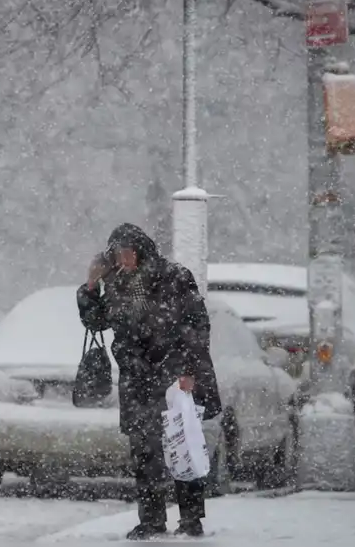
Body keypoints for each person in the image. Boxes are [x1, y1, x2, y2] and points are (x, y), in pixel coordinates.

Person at [76, 223, 221, 540]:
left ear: (141, 250)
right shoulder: (114, 282)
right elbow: (96, 322)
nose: (123, 259)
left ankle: (191, 519)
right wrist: (91, 284)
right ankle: (152, 519)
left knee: (181, 445)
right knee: (144, 452)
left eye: (127, 252)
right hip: (135, 377)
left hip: (172, 375)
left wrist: (187, 371)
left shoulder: (174, 276)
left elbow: (196, 324)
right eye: (117, 254)